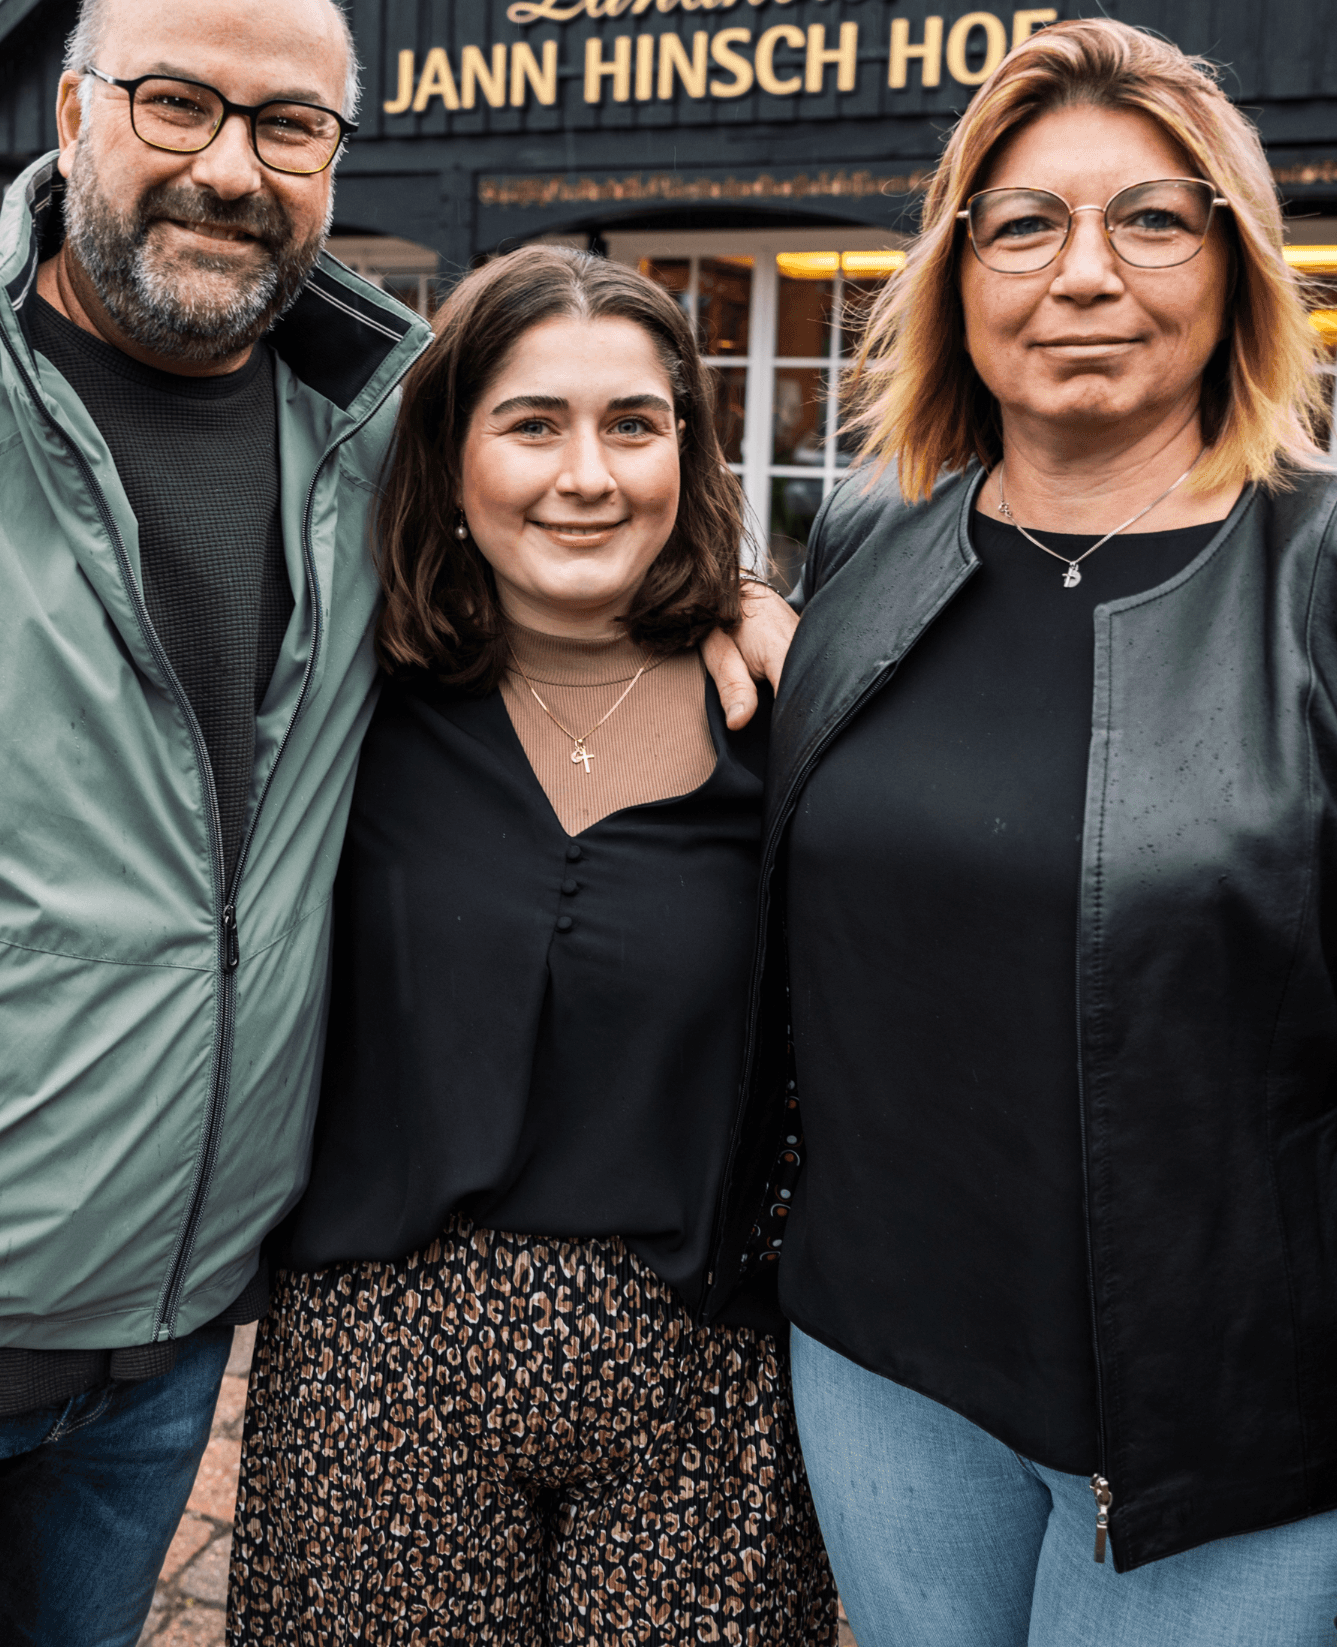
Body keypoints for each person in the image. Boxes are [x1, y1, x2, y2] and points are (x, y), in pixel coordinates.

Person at [0, 0, 785, 1647]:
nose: (229, 165)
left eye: (288, 126)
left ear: (334, 164)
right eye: (177, 102)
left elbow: (572, 508)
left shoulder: (366, 448)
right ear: (71, 114)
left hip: (165, 1350)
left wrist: (726, 595)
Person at [749, 19, 1337, 1647]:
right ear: (956, 273)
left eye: (1151, 217)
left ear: (1236, 262)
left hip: (1235, 1443)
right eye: (1022, 224)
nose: (1083, 274)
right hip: (881, 1380)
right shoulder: (866, 547)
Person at [226, 245, 836, 1645]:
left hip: (706, 1380)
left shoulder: (787, 712)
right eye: (530, 422)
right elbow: (247, 300)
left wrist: (755, 610)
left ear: (686, 449)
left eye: (633, 422)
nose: (588, 474)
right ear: (445, 459)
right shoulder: (343, 694)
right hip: (379, 1363)